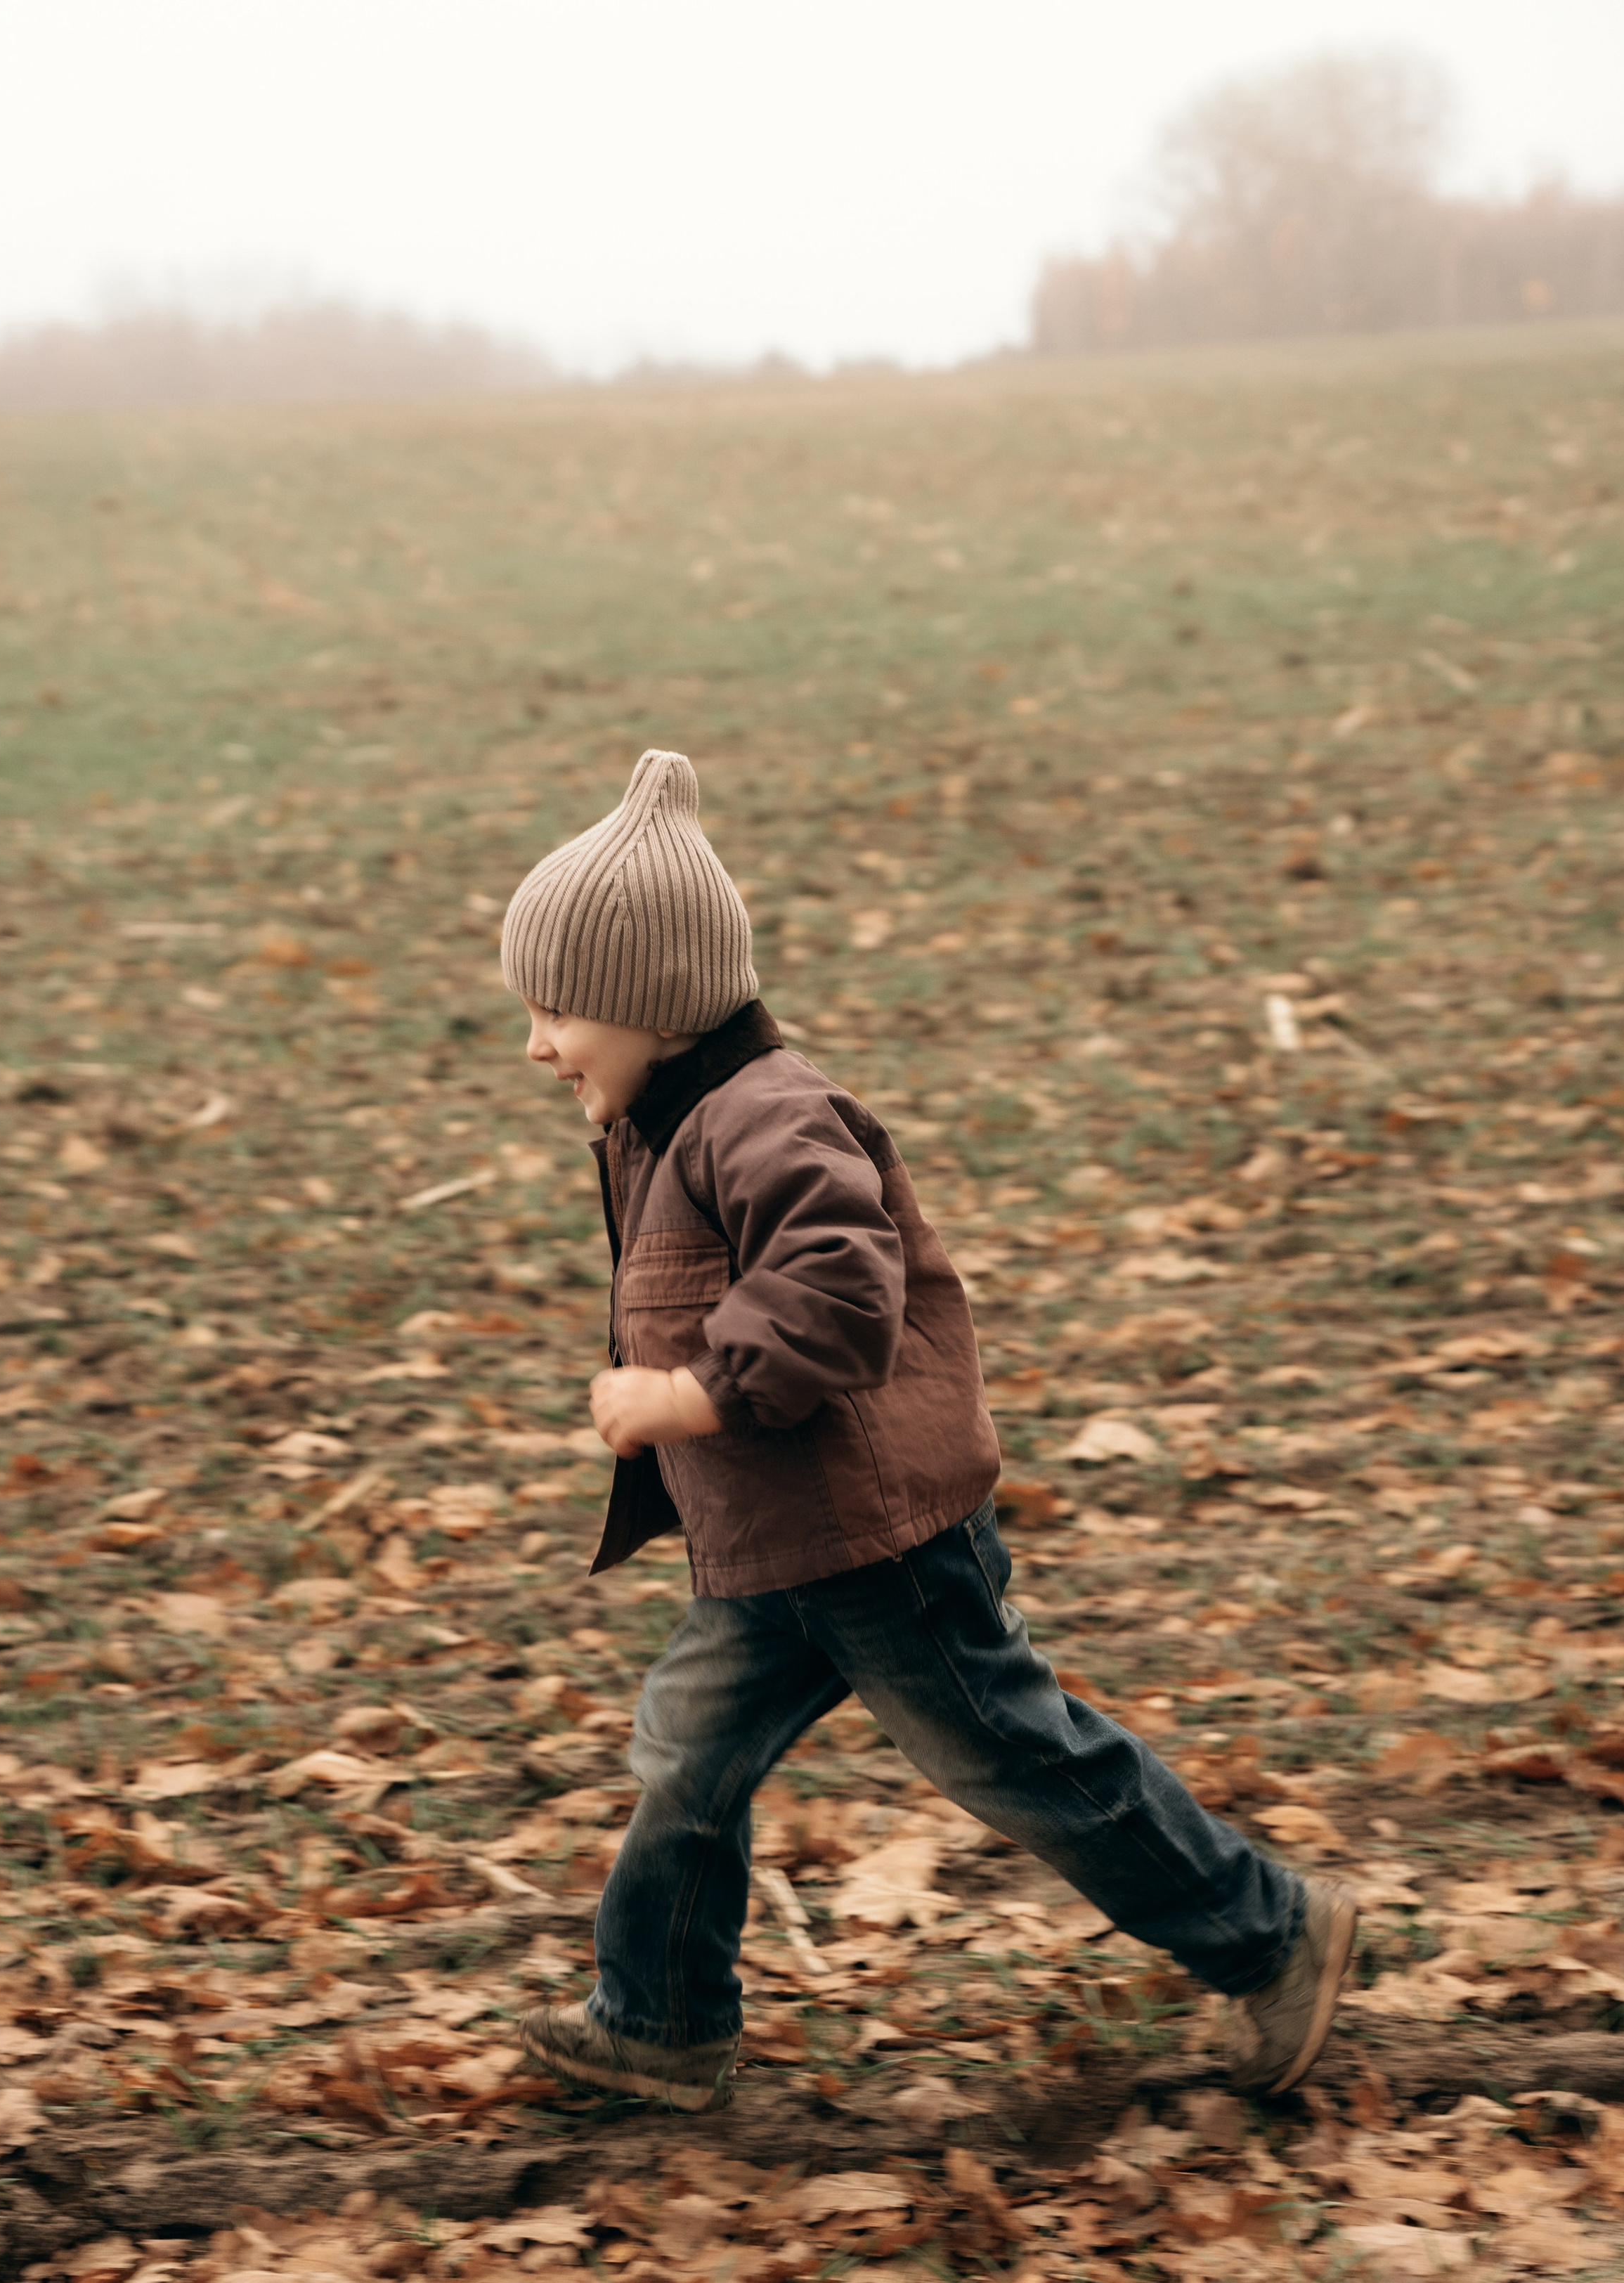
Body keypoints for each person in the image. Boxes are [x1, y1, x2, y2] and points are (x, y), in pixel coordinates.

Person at [499, 747, 1356, 2113]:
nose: (534, 1044)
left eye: (554, 1011)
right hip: (777, 1552)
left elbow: (840, 1291)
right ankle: (658, 2018)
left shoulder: (766, 1117)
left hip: (878, 1542)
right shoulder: (660, 1120)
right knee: (683, 1758)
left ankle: (1273, 1934)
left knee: (1016, 1758)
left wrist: (690, 1395)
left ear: (647, 999)